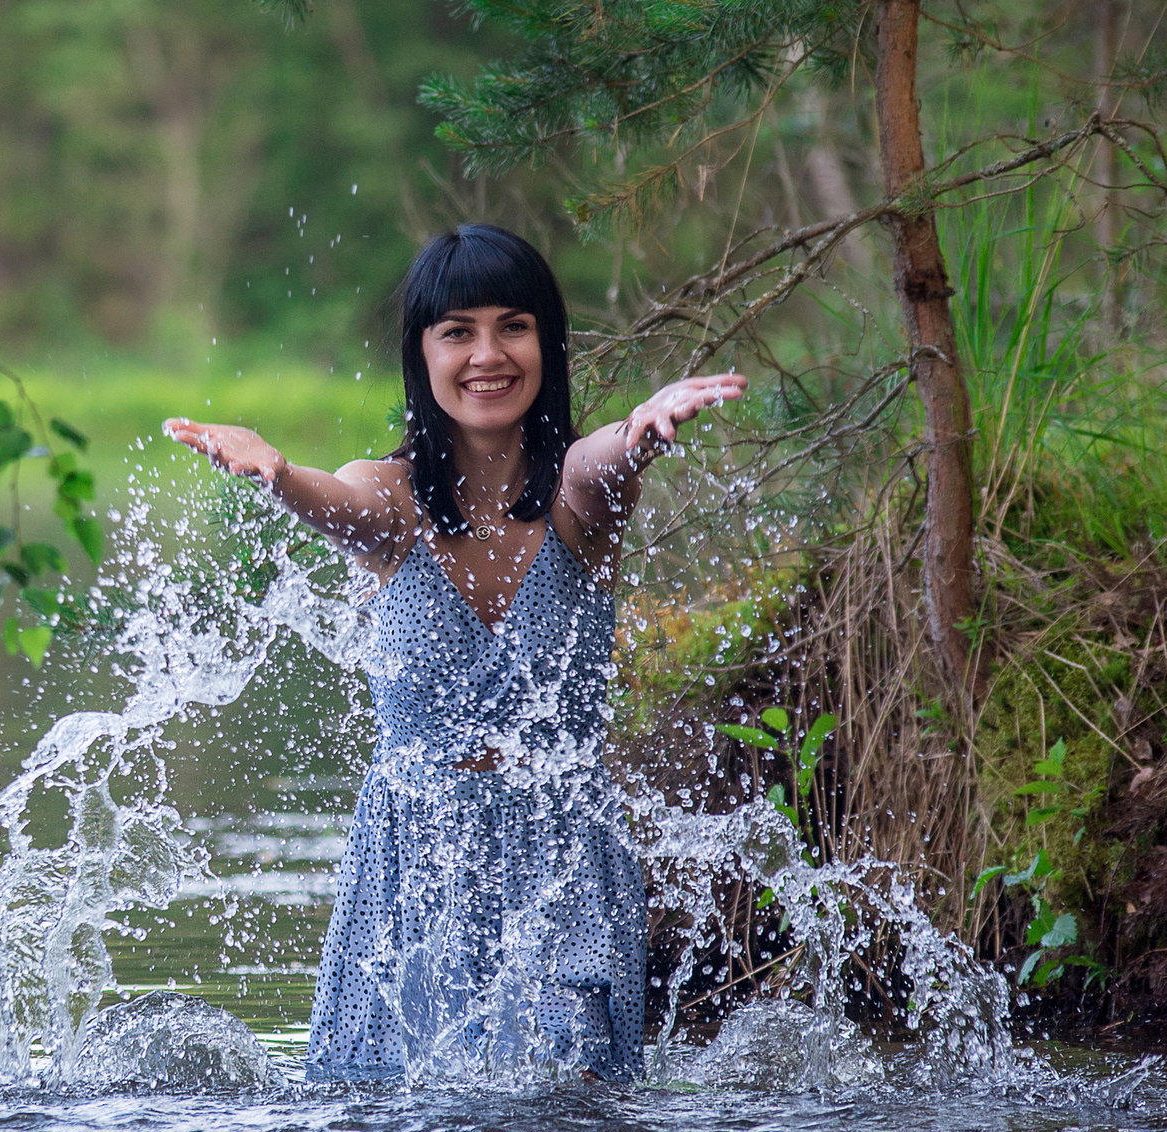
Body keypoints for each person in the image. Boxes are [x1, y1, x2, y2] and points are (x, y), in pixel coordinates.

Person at [165, 224, 746, 1084]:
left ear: (547, 342)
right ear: (422, 353)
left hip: (565, 852)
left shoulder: (579, 499)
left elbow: (604, 460)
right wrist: (281, 476)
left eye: (514, 325)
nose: (488, 354)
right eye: (458, 331)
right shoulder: (389, 500)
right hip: (412, 857)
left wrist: (645, 430)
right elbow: (340, 503)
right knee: (394, 1105)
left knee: (567, 1094)